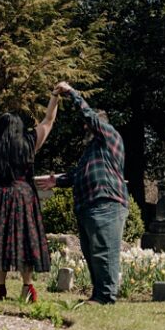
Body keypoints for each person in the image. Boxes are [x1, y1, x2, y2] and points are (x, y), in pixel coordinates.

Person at [37, 81, 128, 304]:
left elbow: (90, 116)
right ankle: (98, 295)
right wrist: (56, 181)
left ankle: (107, 296)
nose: (85, 129)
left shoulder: (109, 136)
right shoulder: (91, 152)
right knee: (93, 252)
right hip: (89, 205)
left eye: (89, 126)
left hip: (106, 202)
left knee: (104, 250)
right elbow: (77, 175)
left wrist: (72, 94)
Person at [0, 95, 59, 303]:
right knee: (24, 242)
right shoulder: (28, 142)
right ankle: (27, 287)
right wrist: (55, 96)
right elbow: (48, 121)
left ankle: (1, 289)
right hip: (23, 198)